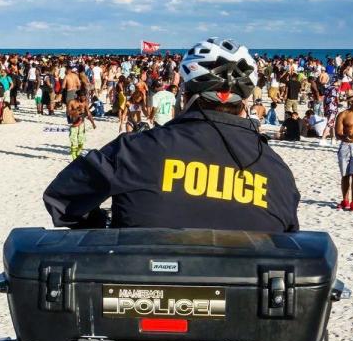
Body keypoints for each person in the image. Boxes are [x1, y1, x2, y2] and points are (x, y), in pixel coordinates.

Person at [43, 38, 299, 232]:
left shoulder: (135, 150)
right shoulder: (277, 172)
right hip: (241, 298)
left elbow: (62, 198)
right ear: (244, 101)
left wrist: (102, 225)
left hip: (141, 290)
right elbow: (288, 238)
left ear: (185, 97)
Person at [67, 88, 95, 159]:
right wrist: (77, 110)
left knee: (81, 142)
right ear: (78, 96)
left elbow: (88, 114)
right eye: (83, 96)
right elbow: (68, 113)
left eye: (85, 96)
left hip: (81, 124)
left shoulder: (85, 103)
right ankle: (74, 157)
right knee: (74, 142)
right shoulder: (72, 102)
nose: (85, 98)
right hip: (74, 125)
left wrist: (93, 123)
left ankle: (78, 153)